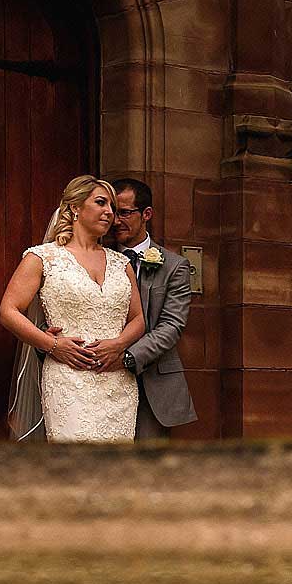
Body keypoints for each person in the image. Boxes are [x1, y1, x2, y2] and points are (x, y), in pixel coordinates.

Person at [0, 175, 146, 442]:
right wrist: (52, 345)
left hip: (117, 380)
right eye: (101, 203)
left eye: (112, 207)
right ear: (75, 207)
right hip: (68, 378)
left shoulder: (120, 263)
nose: (110, 213)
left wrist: (118, 344)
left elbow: (138, 318)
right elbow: (8, 311)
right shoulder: (42, 257)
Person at [106, 176, 198, 439]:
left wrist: (126, 358)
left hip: (151, 381)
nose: (115, 221)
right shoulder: (98, 257)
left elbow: (172, 326)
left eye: (124, 213)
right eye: (113, 212)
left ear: (146, 214)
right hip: (99, 377)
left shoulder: (174, 266)